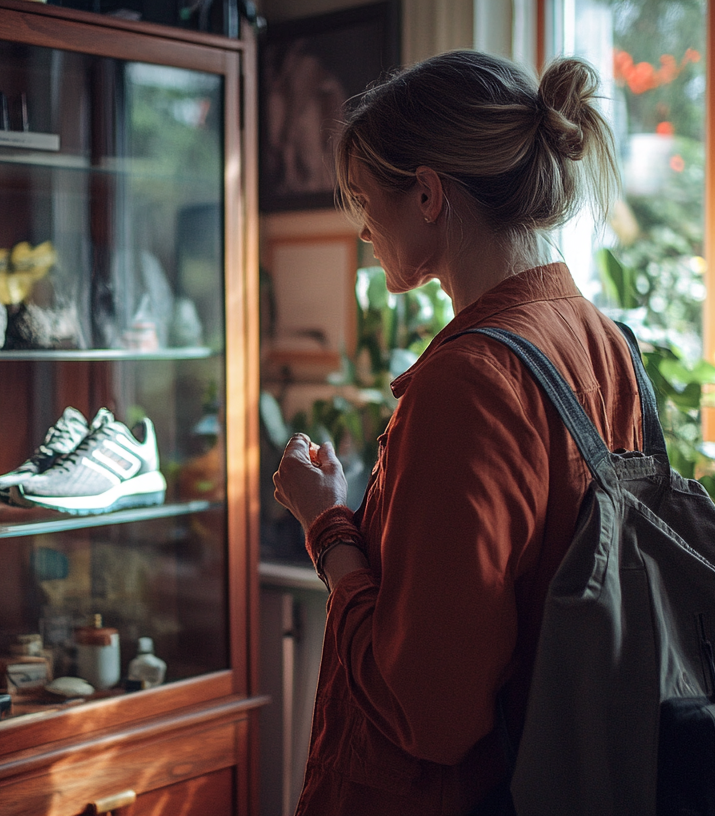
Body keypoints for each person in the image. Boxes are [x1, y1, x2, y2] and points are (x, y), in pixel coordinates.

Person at [272, 50, 649, 815]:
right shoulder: (604, 340)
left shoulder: (468, 381)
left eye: (361, 197)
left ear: (428, 194)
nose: (361, 228)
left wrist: (327, 528)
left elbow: (429, 713)